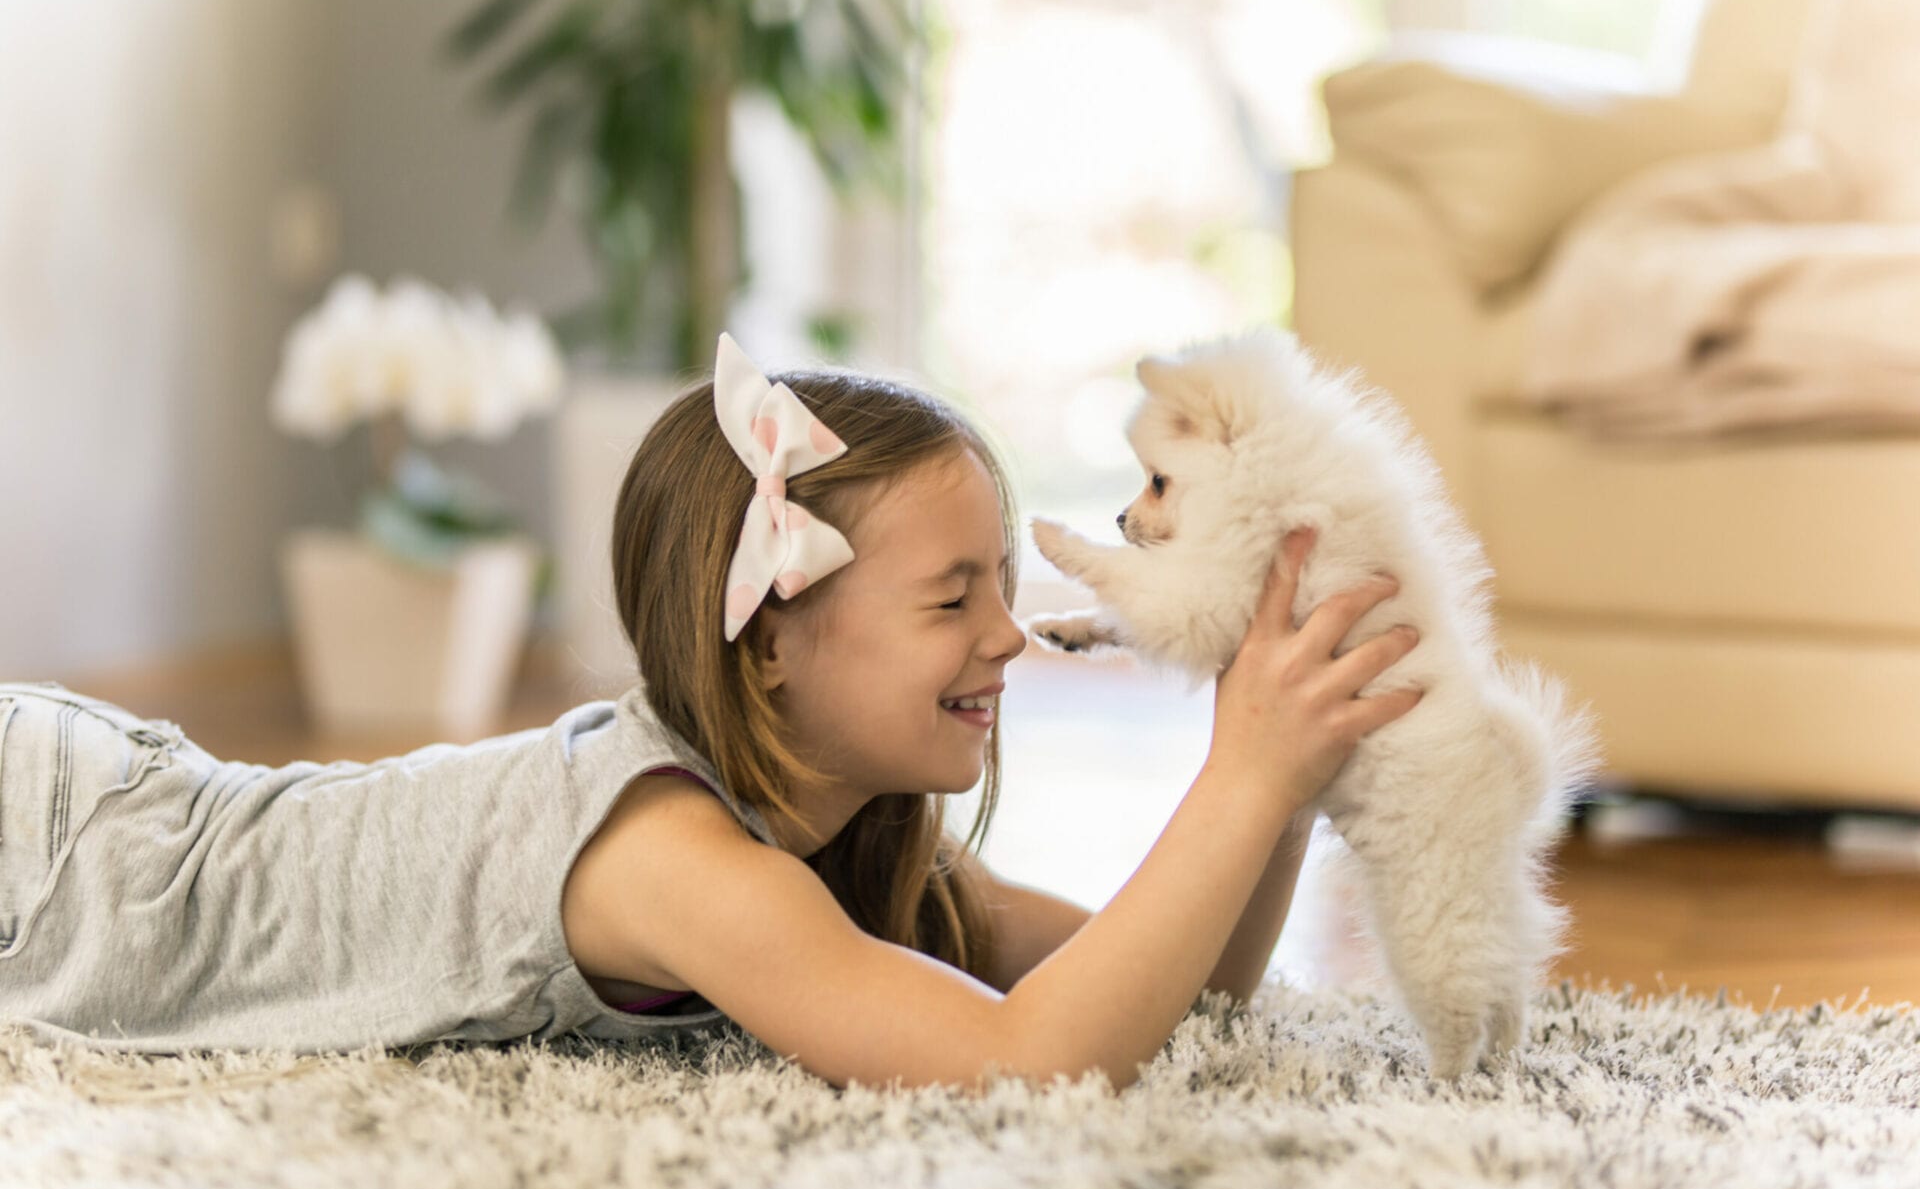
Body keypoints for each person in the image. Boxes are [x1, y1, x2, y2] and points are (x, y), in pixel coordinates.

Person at [0, 333, 1422, 1092]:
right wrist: (1240, 781)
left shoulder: (851, 845)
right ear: (775, 646)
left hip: (137, 809)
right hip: (76, 869)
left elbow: (1177, 1001)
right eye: (952, 599)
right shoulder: (668, 856)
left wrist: (1280, 780)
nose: (1009, 634)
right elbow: (1026, 1063)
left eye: (1003, 584)